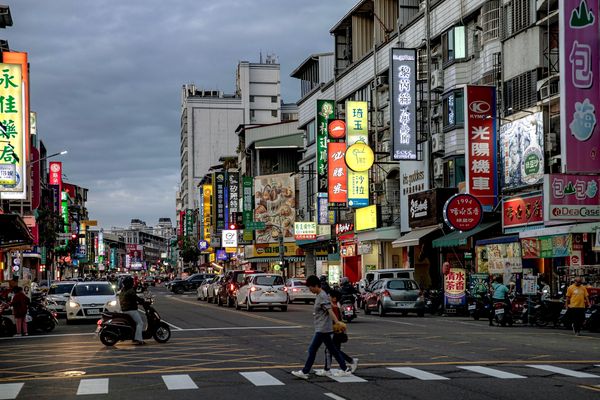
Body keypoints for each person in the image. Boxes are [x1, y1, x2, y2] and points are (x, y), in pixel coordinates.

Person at [292, 275, 353, 379]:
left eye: (310, 287)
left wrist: (337, 322)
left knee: (312, 349)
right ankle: (345, 368)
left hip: (323, 329)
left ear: (315, 285)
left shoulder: (322, 296)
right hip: (322, 327)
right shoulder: (320, 295)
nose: (309, 290)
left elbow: (329, 311)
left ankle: (305, 371)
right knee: (332, 349)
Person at [316, 290, 357, 377]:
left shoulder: (333, 307)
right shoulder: (336, 307)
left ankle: (331, 369)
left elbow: (334, 320)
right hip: (337, 332)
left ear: (334, 298)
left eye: (329, 296)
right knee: (335, 351)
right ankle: (351, 361)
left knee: (329, 350)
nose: (328, 298)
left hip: (334, 332)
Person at [119, 276, 146, 344]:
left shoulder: (123, 290)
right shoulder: (130, 291)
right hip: (131, 310)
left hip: (124, 309)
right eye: (132, 282)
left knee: (134, 324)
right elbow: (136, 298)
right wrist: (142, 301)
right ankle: (138, 339)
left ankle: (134, 337)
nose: (133, 283)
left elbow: (132, 299)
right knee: (140, 323)